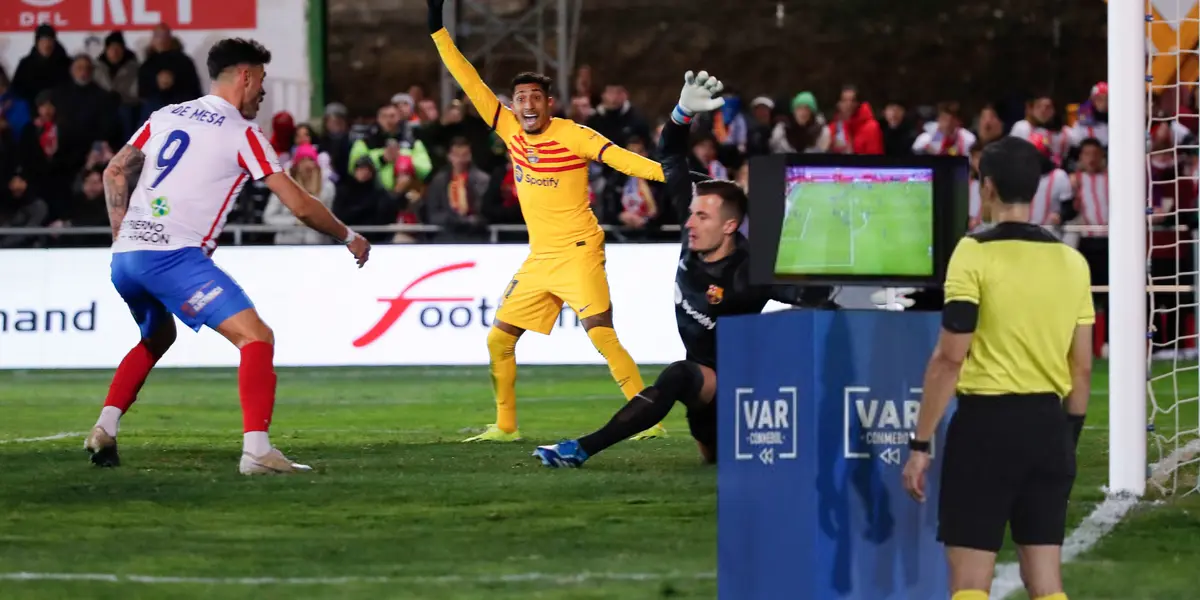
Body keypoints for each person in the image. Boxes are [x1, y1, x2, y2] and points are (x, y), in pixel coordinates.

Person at [85, 38, 371, 475]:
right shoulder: (242, 133)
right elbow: (298, 204)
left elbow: (115, 170)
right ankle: (257, 451)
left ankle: (105, 428)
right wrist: (347, 235)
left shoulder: (165, 115)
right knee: (256, 337)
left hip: (126, 258)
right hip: (173, 257)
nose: (262, 92)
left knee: (156, 338)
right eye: (261, 82)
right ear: (246, 76)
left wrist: (121, 234)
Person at [533, 71, 837, 468]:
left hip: (738, 388)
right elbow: (671, 158)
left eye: (702, 216)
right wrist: (680, 115)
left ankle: (579, 450)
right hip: (705, 386)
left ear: (729, 226)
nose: (689, 222)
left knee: (676, 375)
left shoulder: (750, 271)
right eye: (691, 214)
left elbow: (819, 299)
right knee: (710, 458)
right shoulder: (693, 229)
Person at [426, 0, 671, 442]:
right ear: (514, 106)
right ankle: (505, 428)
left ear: (549, 103)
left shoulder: (573, 135)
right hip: (541, 259)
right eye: (520, 98)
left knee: (601, 335)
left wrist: (667, 171)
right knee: (499, 340)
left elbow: (621, 159)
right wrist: (436, 26)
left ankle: (647, 423)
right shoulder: (508, 129)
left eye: (535, 97)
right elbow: (468, 78)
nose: (527, 105)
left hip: (579, 251)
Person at [901, 136, 1093, 600]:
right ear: (1037, 188)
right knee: (1045, 582)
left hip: (986, 426)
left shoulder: (973, 252)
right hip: (1049, 427)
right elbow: (1081, 367)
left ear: (985, 187)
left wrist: (920, 443)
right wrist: (1066, 439)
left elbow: (950, 357)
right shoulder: (1072, 261)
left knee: (970, 583)